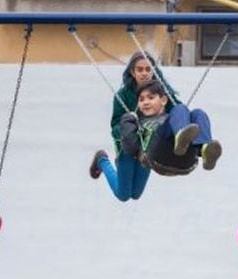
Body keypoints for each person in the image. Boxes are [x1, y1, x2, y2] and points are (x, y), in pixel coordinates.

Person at [88, 51, 221, 199]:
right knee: (124, 194)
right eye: (139, 70)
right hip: (128, 146)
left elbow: (180, 112)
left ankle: (203, 148)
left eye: (148, 69)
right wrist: (131, 129)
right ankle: (102, 160)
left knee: (136, 194)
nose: (144, 73)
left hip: (152, 144)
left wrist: (181, 125)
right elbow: (115, 127)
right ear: (132, 72)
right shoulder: (123, 96)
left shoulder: (163, 93)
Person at [118, 80, 222, 176]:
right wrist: (128, 120)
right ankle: (180, 138)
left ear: (163, 100)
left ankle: (205, 151)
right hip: (158, 154)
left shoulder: (173, 118)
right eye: (141, 100)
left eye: (151, 98)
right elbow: (130, 147)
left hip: (185, 159)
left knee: (198, 113)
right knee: (180, 108)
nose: (145, 102)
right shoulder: (140, 123)